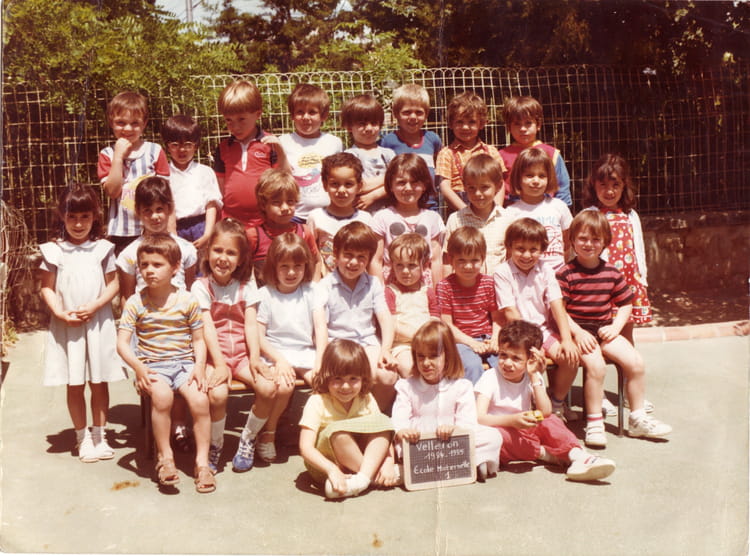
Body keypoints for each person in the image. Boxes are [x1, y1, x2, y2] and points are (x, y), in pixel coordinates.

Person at [556, 210, 672, 447]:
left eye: (595, 239)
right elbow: (560, 311)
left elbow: (626, 303)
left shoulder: (611, 272)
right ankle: (595, 422)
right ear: (572, 240)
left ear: (605, 242)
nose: (589, 244)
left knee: (636, 362)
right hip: (579, 333)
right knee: (597, 367)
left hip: (604, 330)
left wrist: (616, 326)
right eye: (583, 238)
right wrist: (578, 333)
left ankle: (637, 418)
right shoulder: (565, 273)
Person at [116, 233, 215, 493]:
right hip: (152, 366)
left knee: (200, 400)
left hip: (184, 365)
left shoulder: (187, 300)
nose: (149, 270)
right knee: (162, 397)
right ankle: (166, 458)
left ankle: (202, 463)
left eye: (157, 264)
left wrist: (199, 367)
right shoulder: (136, 302)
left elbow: (199, 339)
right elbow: (122, 344)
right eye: (144, 265)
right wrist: (138, 368)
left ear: (175, 268)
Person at [39, 184, 125, 462]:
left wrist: (96, 305)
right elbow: (47, 287)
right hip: (69, 326)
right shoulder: (54, 251)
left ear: (94, 216)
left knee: (99, 381)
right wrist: (60, 313)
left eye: (85, 217)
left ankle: (99, 434)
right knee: (74, 381)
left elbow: (114, 285)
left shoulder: (103, 249)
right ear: (61, 217)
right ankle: (82, 437)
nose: (78, 224)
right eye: (72, 217)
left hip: (97, 323)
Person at [475, 320, 615, 482]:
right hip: (499, 430)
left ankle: (579, 456)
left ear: (531, 358)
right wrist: (512, 420)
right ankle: (546, 454)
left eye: (516, 358)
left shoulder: (531, 375)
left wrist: (534, 376)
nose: (507, 363)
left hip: (524, 430)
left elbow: (545, 412)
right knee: (497, 437)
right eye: (503, 355)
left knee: (550, 420)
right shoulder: (490, 377)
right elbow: (479, 418)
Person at [190, 218, 275, 473]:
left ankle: (248, 438)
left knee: (268, 388)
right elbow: (206, 328)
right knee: (217, 394)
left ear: (240, 259)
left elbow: (251, 325)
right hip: (214, 356)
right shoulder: (200, 286)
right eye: (217, 250)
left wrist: (255, 358)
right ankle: (216, 443)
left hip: (242, 355)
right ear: (207, 252)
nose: (223, 258)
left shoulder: (247, 286)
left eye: (231, 253)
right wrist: (218, 364)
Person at [249, 233, 328, 467]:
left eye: (298, 266)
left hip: (305, 352)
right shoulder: (266, 294)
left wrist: (320, 362)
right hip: (276, 352)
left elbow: (320, 328)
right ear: (274, 266)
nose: (291, 272)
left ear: (306, 266)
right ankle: (269, 432)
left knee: (323, 384)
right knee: (284, 386)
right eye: (284, 266)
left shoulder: (311, 291)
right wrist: (280, 360)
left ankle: (318, 434)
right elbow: (259, 336)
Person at [391, 320, 503, 482]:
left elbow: (468, 421)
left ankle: (473, 461)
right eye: (421, 356)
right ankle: (418, 467)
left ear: (448, 356)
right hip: (420, 440)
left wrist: (455, 429)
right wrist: (403, 431)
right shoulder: (406, 386)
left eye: (433, 356)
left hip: (452, 440)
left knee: (493, 435)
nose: (426, 363)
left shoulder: (461, 386)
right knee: (396, 444)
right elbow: (399, 416)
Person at [493, 217, 580, 421]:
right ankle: (528, 403)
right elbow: (510, 312)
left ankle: (556, 402)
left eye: (533, 249)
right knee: (528, 360)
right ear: (509, 247)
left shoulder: (546, 270)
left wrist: (567, 339)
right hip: (517, 334)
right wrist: (531, 344)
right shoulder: (502, 272)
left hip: (544, 331)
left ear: (542, 250)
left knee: (571, 358)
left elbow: (557, 305)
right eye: (520, 249)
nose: (526, 255)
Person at [298, 339, 399, 499]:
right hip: (329, 466)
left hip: (360, 462)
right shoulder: (317, 401)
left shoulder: (366, 397)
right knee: (338, 432)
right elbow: (305, 448)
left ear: (363, 378)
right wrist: (332, 470)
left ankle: (362, 480)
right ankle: (373, 478)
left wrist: (388, 462)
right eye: (338, 378)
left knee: (382, 421)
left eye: (353, 379)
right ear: (326, 376)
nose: (345, 386)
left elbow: (382, 430)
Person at [315, 221, 398, 411]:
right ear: (336, 254)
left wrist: (386, 349)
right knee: (346, 376)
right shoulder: (324, 286)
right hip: (338, 345)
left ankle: (375, 416)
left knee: (387, 376)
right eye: (348, 255)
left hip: (366, 342)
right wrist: (321, 359)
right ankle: (346, 416)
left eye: (361, 257)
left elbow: (385, 319)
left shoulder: (373, 284)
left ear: (368, 259)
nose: (354, 262)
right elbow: (321, 327)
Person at [582, 153, 652, 344]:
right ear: (593, 185)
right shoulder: (590, 215)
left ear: (624, 186)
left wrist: (642, 277)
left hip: (628, 282)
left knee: (626, 333)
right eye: (603, 185)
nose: (609, 191)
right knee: (601, 334)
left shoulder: (630, 215)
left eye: (615, 185)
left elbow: (639, 248)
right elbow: (581, 249)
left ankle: (629, 363)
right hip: (601, 284)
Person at [97, 91, 170, 254]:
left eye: (135, 123)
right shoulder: (107, 154)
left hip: (153, 229)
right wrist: (118, 157)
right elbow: (112, 191)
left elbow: (167, 196)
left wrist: (170, 229)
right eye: (121, 122)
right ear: (111, 122)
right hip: (121, 233)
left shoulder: (155, 151)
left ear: (144, 123)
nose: (128, 128)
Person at [213, 79, 288, 229]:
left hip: (263, 221)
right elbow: (219, 187)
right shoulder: (223, 148)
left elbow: (285, 179)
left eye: (241, 119)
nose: (235, 126)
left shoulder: (269, 144)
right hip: (231, 220)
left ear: (257, 114)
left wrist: (281, 153)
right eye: (229, 120)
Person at [437, 226, 502, 384]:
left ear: (482, 259)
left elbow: (497, 318)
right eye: (461, 260)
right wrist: (471, 342)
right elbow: (447, 325)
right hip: (460, 341)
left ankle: (505, 398)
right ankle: (475, 399)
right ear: (451, 260)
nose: (468, 266)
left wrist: (495, 338)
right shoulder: (445, 287)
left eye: (474, 260)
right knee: (472, 365)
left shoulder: (488, 283)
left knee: (505, 361)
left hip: (487, 338)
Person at [116, 176, 197, 299]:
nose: (154, 216)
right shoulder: (129, 254)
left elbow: (190, 290)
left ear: (169, 208)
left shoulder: (186, 249)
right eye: (147, 211)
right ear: (138, 211)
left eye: (159, 209)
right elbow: (127, 297)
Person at [370, 154, 445, 288]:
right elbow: (376, 260)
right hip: (391, 286)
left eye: (415, 182)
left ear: (424, 185)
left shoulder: (432, 218)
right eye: (401, 182)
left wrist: (437, 292)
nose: (408, 188)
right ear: (391, 186)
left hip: (424, 286)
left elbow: (436, 260)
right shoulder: (382, 218)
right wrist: (379, 294)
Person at [278, 83, 343, 223]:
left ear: (323, 116)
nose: (305, 117)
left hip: (327, 213)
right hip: (293, 215)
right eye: (300, 112)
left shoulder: (334, 143)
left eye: (312, 112)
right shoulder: (283, 142)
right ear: (292, 115)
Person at [246, 168, 320, 285]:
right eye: (277, 202)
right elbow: (245, 269)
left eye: (290, 202)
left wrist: (315, 287)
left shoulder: (304, 232)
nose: (285, 208)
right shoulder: (254, 236)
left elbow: (316, 261)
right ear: (264, 204)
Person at [436, 91, 506, 214]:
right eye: (459, 122)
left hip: (490, 209)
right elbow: (445, 187)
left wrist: (497, 209)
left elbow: (500, 183)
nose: (465, 127)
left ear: (481, 124)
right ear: (451, 124)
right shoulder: (446, 153)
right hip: (459, 209)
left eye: (471, 122)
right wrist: (465, 212)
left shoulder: (491, 151)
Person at [504, 147, 572, 271]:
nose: (536, 181)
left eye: (542, 176)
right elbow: (508, 252)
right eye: (529, 175)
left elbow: (568, 244)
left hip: (557, 275)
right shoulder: (510, 213)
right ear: (518, 178)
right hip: (524, 277)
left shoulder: (559, 207)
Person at [443, 153, 511, 275]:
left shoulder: (507, 219)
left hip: (498, 284)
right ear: (464, 187)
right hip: (464, 285)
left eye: (484, 187)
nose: (478, 193)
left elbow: (511, 258)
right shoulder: (456, 219)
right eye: (472, 188)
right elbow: (447, 260)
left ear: (498, 186)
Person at [161, 114, 222, 249]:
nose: (182, 150)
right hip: (174, 228)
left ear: (196, 146)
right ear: (167, 146)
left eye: (188, 145)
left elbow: (211, 204)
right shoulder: (163, 175)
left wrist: (207, 233)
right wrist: (172, 233)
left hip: (201, 227)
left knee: (202, 261)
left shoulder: (205, 172)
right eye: (175, 145)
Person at [307, 152, 374, 275]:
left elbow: (371, 260)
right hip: (326, 283)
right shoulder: (316, 217)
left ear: (359, 186)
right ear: (325, 185)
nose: (341, 190)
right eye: (335, 184)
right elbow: (312, 257)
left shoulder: (366, 219)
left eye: (348, 184)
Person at [499, 95, 572, 207]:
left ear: (538, 125)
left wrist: (559, 211)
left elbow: (562, 188)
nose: (523, 129)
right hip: (514, 212)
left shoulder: (552, 154)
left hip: (546, 211)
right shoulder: (501, 156)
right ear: (509, 127)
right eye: (517, 124)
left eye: (528, 123)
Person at [384, 233, 440, 376]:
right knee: (411, 369)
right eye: (399, 265)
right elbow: (391, 324)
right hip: (403, 346)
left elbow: (435, 318)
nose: (405, 271)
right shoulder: (390, 292)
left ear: (424, 265)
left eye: (412, 265)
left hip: (428, 344)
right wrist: (416, 335)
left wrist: (429, 337)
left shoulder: (427, 291)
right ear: (392, 266)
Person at [380, 83, 441, 211]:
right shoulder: (388, 142)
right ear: (396, 114)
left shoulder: (433, 140)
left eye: (419, 112)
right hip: (399, 207)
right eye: (407, 112)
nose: (413, 117)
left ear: (426, 114)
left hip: (430, 206)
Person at [341, 93, 397, 212]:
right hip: (361, 215)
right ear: (349, 127)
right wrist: (389, 178)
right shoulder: (349, 156)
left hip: (389, 214)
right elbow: (358, 187)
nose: (369, 128)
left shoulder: (388, 154)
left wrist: (373, 196)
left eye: (374, 123)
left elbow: (398, 185)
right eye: (362, 124)